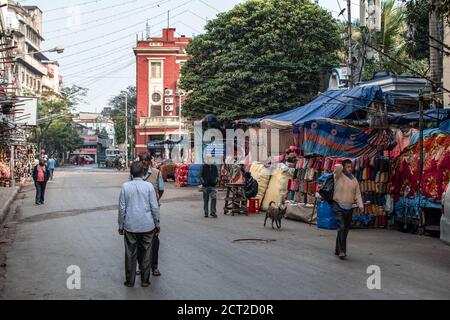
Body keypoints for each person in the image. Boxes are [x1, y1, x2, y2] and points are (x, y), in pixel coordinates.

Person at [118, 161, 160, 287]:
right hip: (147, 225)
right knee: (147, 252)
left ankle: (130, 281)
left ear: (131, 173)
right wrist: (157, 223)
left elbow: (122, 208)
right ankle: (145, 280)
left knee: (130, 253)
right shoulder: (149, 187)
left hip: (130, 225)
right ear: (143, 172)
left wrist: (121, 225)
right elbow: (154, 207)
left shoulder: (125, 186)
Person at [133, 153, 164, 277]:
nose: (144, 162)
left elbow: (161, 189)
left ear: (150, 161)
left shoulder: (156, 173)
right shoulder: (135, 173)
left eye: (146, 160)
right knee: (139, 240)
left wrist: (155, 201)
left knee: (154, 240)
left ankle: (154, 267)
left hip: (152, 211)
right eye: (142, 160)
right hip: (138, 211)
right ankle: (141, 266)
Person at [332, 159, 364, 260]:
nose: (350, 169)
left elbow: (357, 194)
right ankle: (342, 251)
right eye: (348, 167)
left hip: (349, 207)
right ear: (344, 168)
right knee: (341, 227)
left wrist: (361, 205)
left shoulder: (354, 180)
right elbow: (337, 167)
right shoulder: (338, 176)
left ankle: (338, 249)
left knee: (344, 230)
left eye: (351, 167)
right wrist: (342, 166)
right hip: (338, 205)